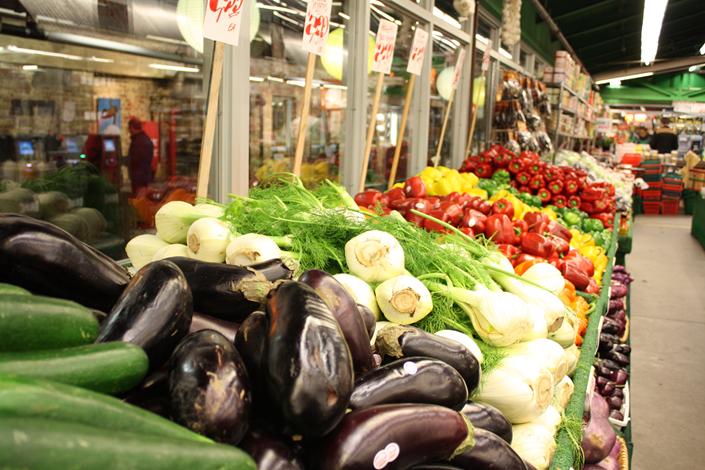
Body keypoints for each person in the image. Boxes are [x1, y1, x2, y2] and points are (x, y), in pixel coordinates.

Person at [127, 117, 154, 195]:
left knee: (139, 199)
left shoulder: (138, 142)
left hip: (139, 179)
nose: (129, 131)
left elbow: (136, 160)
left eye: (129, 128)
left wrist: (124, 160)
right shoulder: (144, 138)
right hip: (144, 177)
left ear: (132, 127)